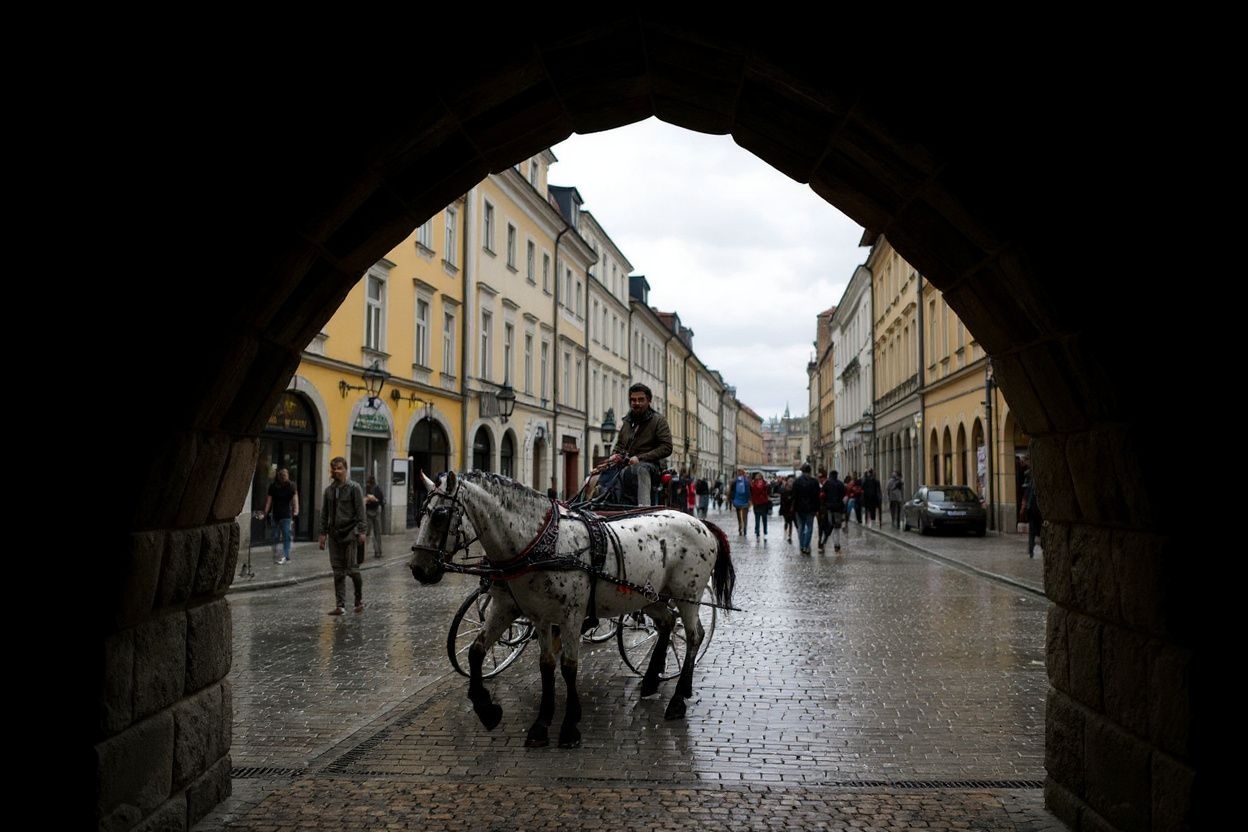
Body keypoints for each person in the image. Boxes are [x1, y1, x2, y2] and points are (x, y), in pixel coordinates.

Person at [594, 383, 672, 506]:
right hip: (627, 464)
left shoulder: (658, 421)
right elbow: (620, 445)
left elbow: (666, 447)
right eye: (633, 400)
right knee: (605, 472)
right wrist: (615, 455)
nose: (637, 403)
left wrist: (640, 458)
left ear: (649, 401)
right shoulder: (627, 422)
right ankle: (605, 504)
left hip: (652, 465)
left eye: (641, 400)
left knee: (640, 469)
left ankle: (644, 508)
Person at [318, 457, 366, 615]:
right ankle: (340, 605)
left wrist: (362, 531)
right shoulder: (329, 491)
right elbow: (325, 514)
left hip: (351, 533)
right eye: (333, 469)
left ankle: (358, 600)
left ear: (345, 469)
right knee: (337, 571)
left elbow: (361, 512)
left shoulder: (354, 488)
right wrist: (322, 534)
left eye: (339, 468)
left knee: (352, 569)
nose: (335, 472)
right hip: (334, 535)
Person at [263, 468, 299, 564]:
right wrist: (265, 512)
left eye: (285, 476)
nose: (284, 478)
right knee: (275, 535)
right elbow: (269, 500)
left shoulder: (291, 486)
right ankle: (276, 553)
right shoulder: (273, 487)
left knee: (286, 535)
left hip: (286, 515)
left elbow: (295, 498)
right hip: (276, 515)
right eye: (282, 476)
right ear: (279, 477)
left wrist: (296, 510)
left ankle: (286, 556)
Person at [792, 464, 822, 555]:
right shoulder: (814, 482)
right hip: (811, 508)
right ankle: (806, 546)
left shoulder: (797, 482)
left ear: (802, 471)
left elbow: (794, 496)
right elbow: (817, 496)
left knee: (801, 527)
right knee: (809, 527)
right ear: (810, 471)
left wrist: (794, 507)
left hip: (799, 508)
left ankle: (802, 546)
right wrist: (817, 508)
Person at [820, 469, 847, 552]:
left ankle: (825, 544)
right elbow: (843, 495)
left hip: (830, 508)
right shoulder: (841, 484)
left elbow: (822, 495)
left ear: (830, 475)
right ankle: (837, 545)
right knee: (837, 527)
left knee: (830, 526)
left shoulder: (827, 484)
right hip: (838, 508)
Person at [364, 475, 386, 559]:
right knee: (369, 533)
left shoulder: (376, 489)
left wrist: (374, 499)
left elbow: (380, 500)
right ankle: (374, 551)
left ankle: (378, 551)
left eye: (369, 482)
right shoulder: (369, 488)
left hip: (375, 511)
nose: (368, 484)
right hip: (370, 512)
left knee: (375, 533)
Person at [1024, 466, 1043, 558]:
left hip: (1032, 511)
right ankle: (1036, 549)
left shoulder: (1031, 484)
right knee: (1039, 531)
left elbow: (1026, 497)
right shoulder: (1038, 484)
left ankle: (1031, 550)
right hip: (1037, 512)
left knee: (1033, 532)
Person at [750, 471, 770, 539]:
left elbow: (752, 493)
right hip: (764, 503)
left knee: (757, 519)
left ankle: (757, 532)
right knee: (764, 519)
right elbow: (767, 492)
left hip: (756, 503)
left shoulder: (753, 484)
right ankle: (765, 531)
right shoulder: (765, 483)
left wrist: (752, 501)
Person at [730, 468, 751, 535]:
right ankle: (745, 528)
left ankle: (740, 526)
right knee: (745, 516)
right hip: (745, 500)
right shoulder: (747, 481)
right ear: (744, 473)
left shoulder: (734, 481)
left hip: (737, 500)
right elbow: (749, 491)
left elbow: (731, 491)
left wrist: (732, 499)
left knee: (739, 515)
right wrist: (749, 500)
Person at [778, 475, 796, 543]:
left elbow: (794, 499)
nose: (791, 483)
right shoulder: (783, 489)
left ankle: (789, 535)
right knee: (786, 521)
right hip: (784, 508)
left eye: (792, 481)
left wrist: (792, 506)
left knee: (790, 522)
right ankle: (785, 531)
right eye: (790, 481)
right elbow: (781, 500)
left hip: (790, 508)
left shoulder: (794, 490)